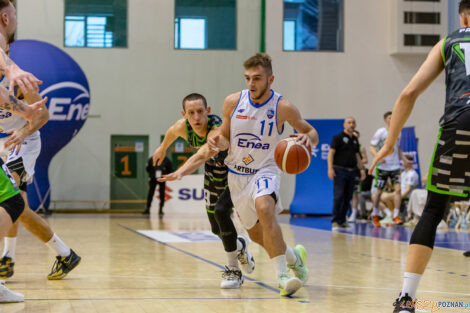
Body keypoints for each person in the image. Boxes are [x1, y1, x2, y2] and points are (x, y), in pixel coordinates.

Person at [164, 53, 318, 296]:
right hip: (236, 176)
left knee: (265, 209)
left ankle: (282, 276)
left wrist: (306, 138)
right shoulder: (232, 102)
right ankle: (294, 257)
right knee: (257, 235)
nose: (251, 84)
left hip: (265, 169)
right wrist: (219, 141)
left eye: (257, 78)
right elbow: (224, 135)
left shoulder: (283, 107)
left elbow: (311, 132)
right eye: (247, 78)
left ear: (271, 79)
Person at [370, 1, 470, 311]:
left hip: (460, 124)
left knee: (434, 209)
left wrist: (389, 144)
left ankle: (406, 298)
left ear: (463, 16)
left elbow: (408, 94)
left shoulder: (450, 41)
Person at [0, 1, 80, 281]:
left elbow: (42, 114)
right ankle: (60, 253)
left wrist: (22, 132)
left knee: (13, 203)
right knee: (14, 205)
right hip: (4, 142)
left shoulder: (20, 79)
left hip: (24, 141)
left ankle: (11, 259)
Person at [152, 93, 254, 289]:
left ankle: (233, 270)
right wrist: (162, 148)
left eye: (200, 111)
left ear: (208, 111)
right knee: (216, 228)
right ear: (184, 114)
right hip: (212, 171)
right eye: (191, 113)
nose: (197, 117)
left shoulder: (215, 130)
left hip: (235, 172)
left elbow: (202, 155)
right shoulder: (182, 126)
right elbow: (172, 132)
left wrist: (180, 172)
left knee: (221, 212)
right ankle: (240, 245)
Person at [370, 111, 407, 227]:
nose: (392, 119)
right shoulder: (381, 132)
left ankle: (396, 215)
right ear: (386, 120)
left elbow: (398, 149)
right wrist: (378, 157)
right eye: (390, 118)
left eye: (393, 117)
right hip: (383, 167)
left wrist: (404, 159)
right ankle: (375, 214)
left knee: (398, 191)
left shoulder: (398, 132)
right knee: (379, 192)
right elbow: (372, 146)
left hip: (395, 166)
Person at [327, 117, 366, 229]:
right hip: (339, 170)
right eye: (349, 122)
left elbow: (357, 156)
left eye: (353, 122)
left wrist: (362, 169)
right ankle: (335, 220)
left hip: (352, 171)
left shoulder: (354, 139)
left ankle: (342, 220)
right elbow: (331, 154)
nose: (351, 124)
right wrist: (330, 168)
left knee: (348, 196)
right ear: (344, 124)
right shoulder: (338, 137)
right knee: (339, 195)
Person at [348, 130, 368, 222]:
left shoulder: (360, 148)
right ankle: (346, 213)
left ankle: (354, 214)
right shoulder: (346, 147)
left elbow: (365, 160)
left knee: (355, 194)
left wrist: (358, 163)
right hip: (347, 171)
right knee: (345, 194)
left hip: (356, 172)